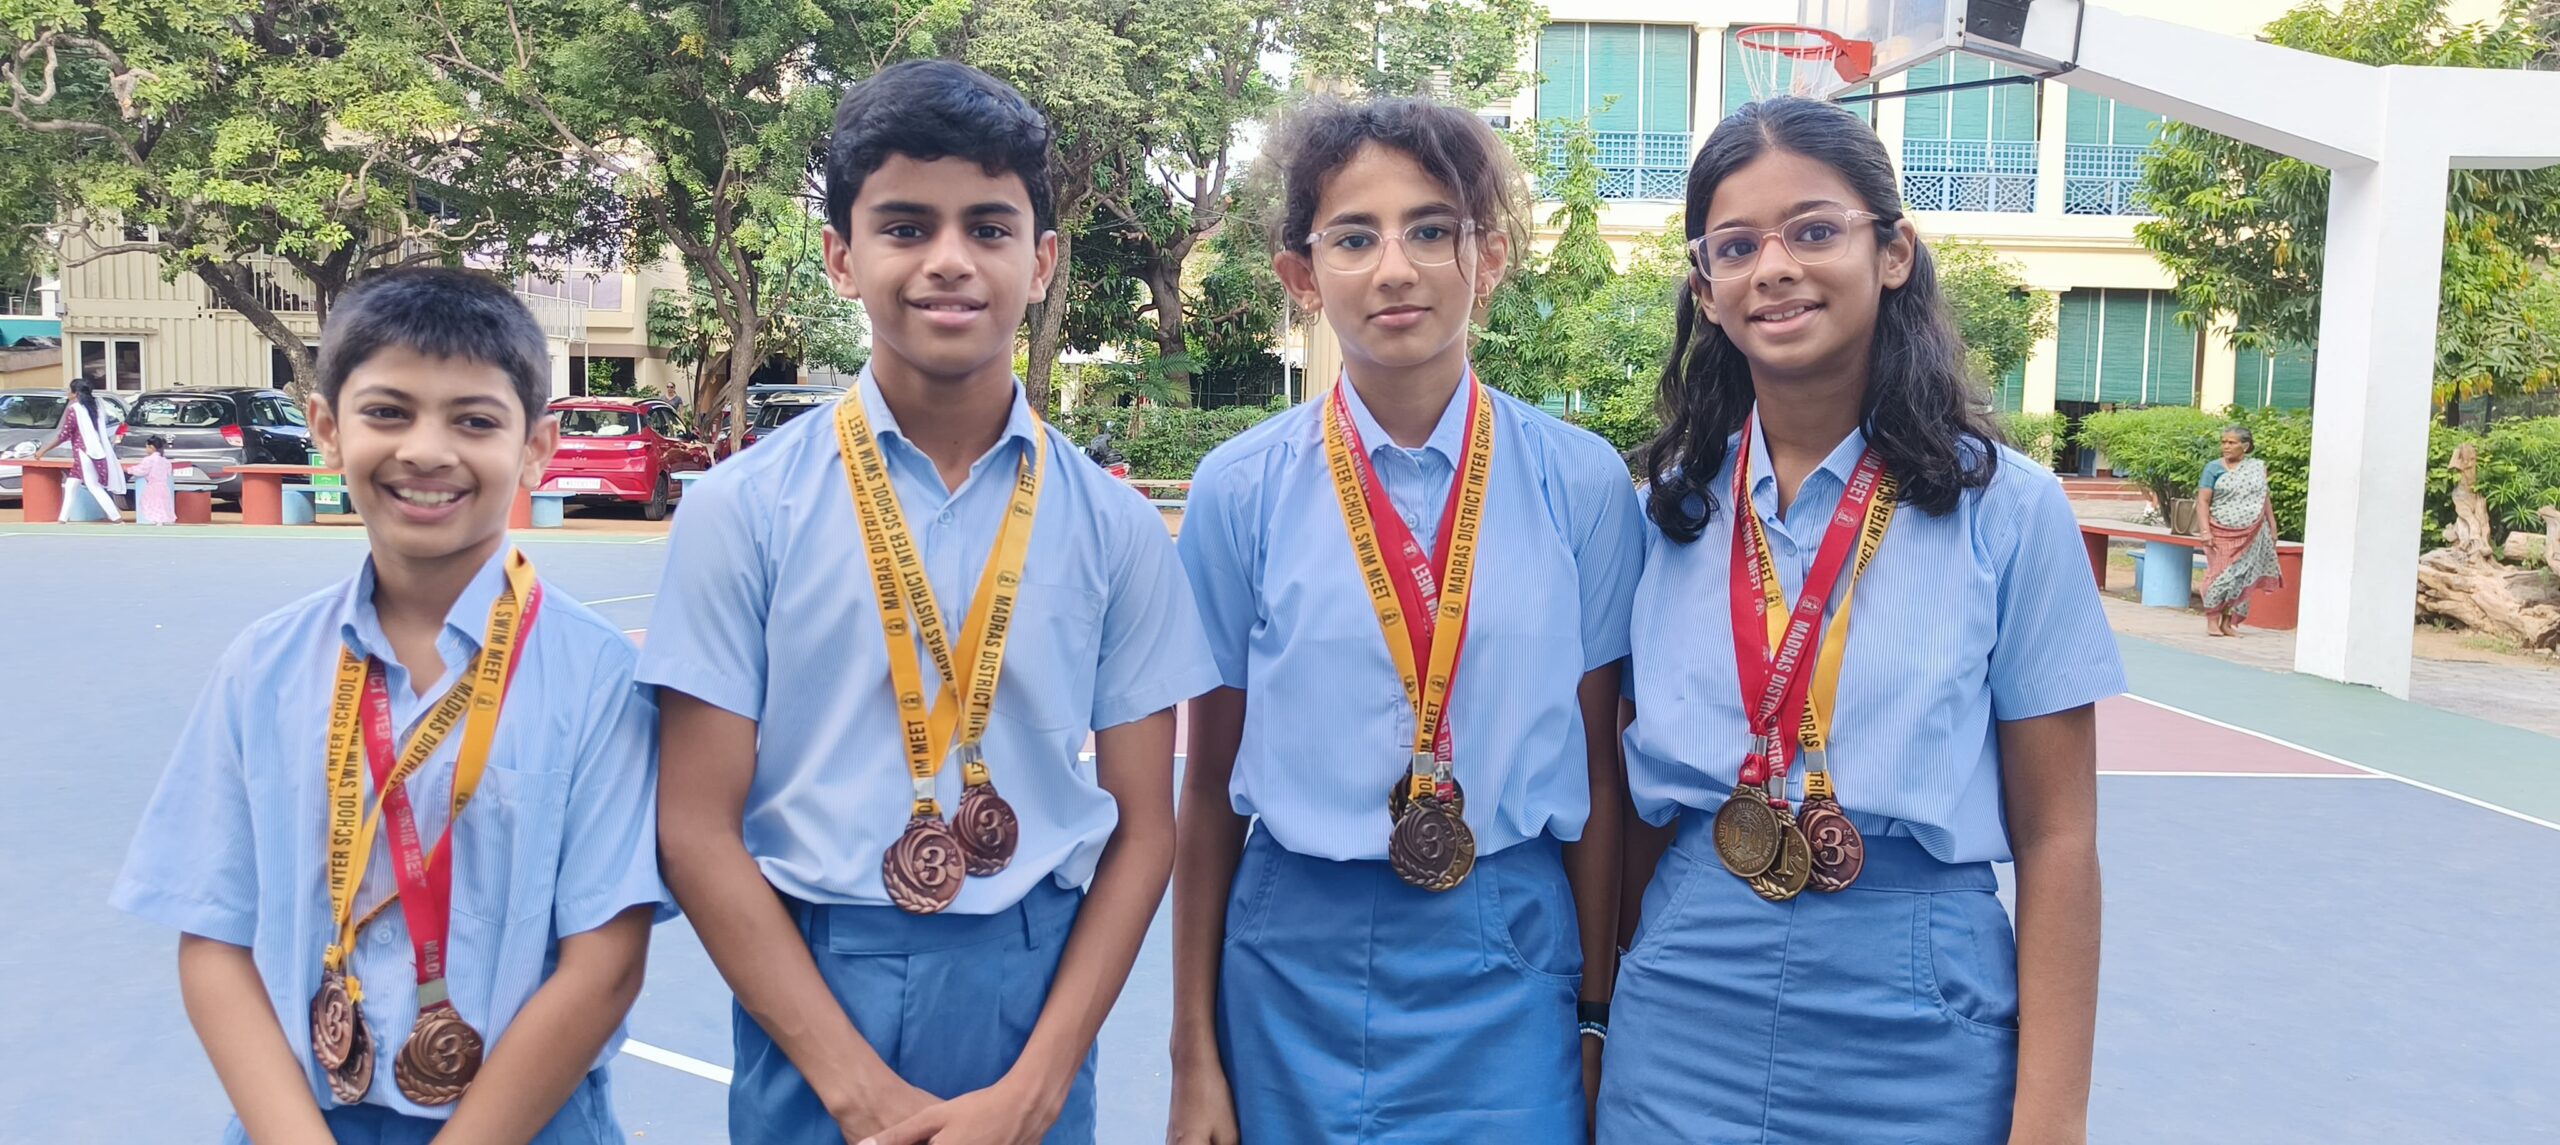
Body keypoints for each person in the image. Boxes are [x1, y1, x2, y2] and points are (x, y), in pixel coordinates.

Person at [639, 60, 1220, 1145]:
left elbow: (1145, 826)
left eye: (988, 228)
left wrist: (1040, 1086)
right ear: (841, 257)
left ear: (1040, 261)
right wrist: (855, 1089)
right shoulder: (741, 509)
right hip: (811, 992)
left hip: (1031, 992)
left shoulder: (1117, 527)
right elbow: (695, 826)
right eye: (905, 226)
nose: (949, 261)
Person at [1598, 97, 2124, 1145]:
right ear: (1704, 290)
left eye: (1814, 229)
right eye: (1735, 245)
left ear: (1891, 252)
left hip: (1916, 991)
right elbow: (1626, 807)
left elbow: (2059, 835)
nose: (1775, 266)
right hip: (1686, 987)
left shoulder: (2007, 513)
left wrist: (2052, 1114)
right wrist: (1597, 1018)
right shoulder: (1656, 508)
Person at [1167, 96, 1644, 1145]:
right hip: (1289, 947)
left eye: (1432, 229)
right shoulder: (1237, 490)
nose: (1395, 268)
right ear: (1302, 275)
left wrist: (1598, 1016)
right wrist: (1192, 1050)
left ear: (1492, 255)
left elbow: (1603, 775)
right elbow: (1204, 787)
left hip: (1510, 947)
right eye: (1353, 236)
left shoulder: (1581, 483)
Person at [109, 267, 669, 1143]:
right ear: (328, 430)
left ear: (536, 447)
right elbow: (211, 936)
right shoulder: (264, 667)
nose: (427, 450)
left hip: (523, 1119)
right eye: (388, 412)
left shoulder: (597, 681)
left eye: (475, 420)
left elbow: (606, 960)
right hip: (300, 1116)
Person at [2197, 425, 2282, 636]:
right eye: (2223, 442)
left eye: (2231, 443)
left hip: (2254, 530)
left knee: (2241, 577)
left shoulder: (2256, 468)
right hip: (2222, 531)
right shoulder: (2213, 468)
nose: (2226, 446)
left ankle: (2228, 622)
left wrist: (2272, 525)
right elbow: (2202, 501)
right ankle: (2212, 620)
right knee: (2219, 576)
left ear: (2245, 446)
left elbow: (2264, 498)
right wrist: (2205, 531)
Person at [35, 376, 126, 521]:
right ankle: (62, 519)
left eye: (69, 390)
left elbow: (64, 434)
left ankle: (116, 517)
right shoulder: (96, 406)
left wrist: (43, 450)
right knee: (71, 485)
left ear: (76, 393)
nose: (67, 392)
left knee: (93, 486)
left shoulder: (75, 409)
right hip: (92, 452)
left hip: (84, 453)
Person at [128, 434, 178, 525]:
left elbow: (141, 470)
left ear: (151, 447)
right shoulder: (165, 461)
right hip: (163, 486)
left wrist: (129, 470)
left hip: (153, 486)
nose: (146, 449)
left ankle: (157, 520)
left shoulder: (149, 460)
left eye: (146, 447)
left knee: (150, 502)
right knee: (162, 504)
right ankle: (160, 521)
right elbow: (168, 472)